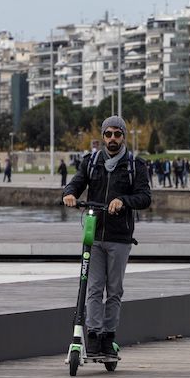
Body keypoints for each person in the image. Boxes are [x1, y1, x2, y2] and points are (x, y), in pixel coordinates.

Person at [61, 115, 151, 359]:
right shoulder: (91, 162)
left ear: (123, 137)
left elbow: (145, 197)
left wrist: (123, 201)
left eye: (117, 134)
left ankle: (108, 336)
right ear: (102, 136)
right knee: (93, 288)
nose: (112, 139)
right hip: (93, 234)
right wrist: (69, 194)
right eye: (108, 134)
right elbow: (76, 184)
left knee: (114, 290)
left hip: (119, 236)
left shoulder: (135, 165)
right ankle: (93, 336)